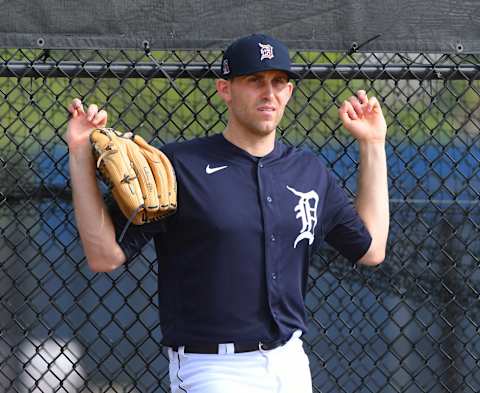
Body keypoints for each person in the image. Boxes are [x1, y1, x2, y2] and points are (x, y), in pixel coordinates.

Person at [67, 33, 389, 393]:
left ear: (289, 92)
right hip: (212, 368)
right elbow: (104, 256)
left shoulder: (309, 171)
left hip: (290, 363)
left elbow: (371, 249)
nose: (269, 93)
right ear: (225, 89)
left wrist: (373, 144)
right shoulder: (181, 166)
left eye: (279, 82)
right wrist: (80, 154)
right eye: (255, 80)